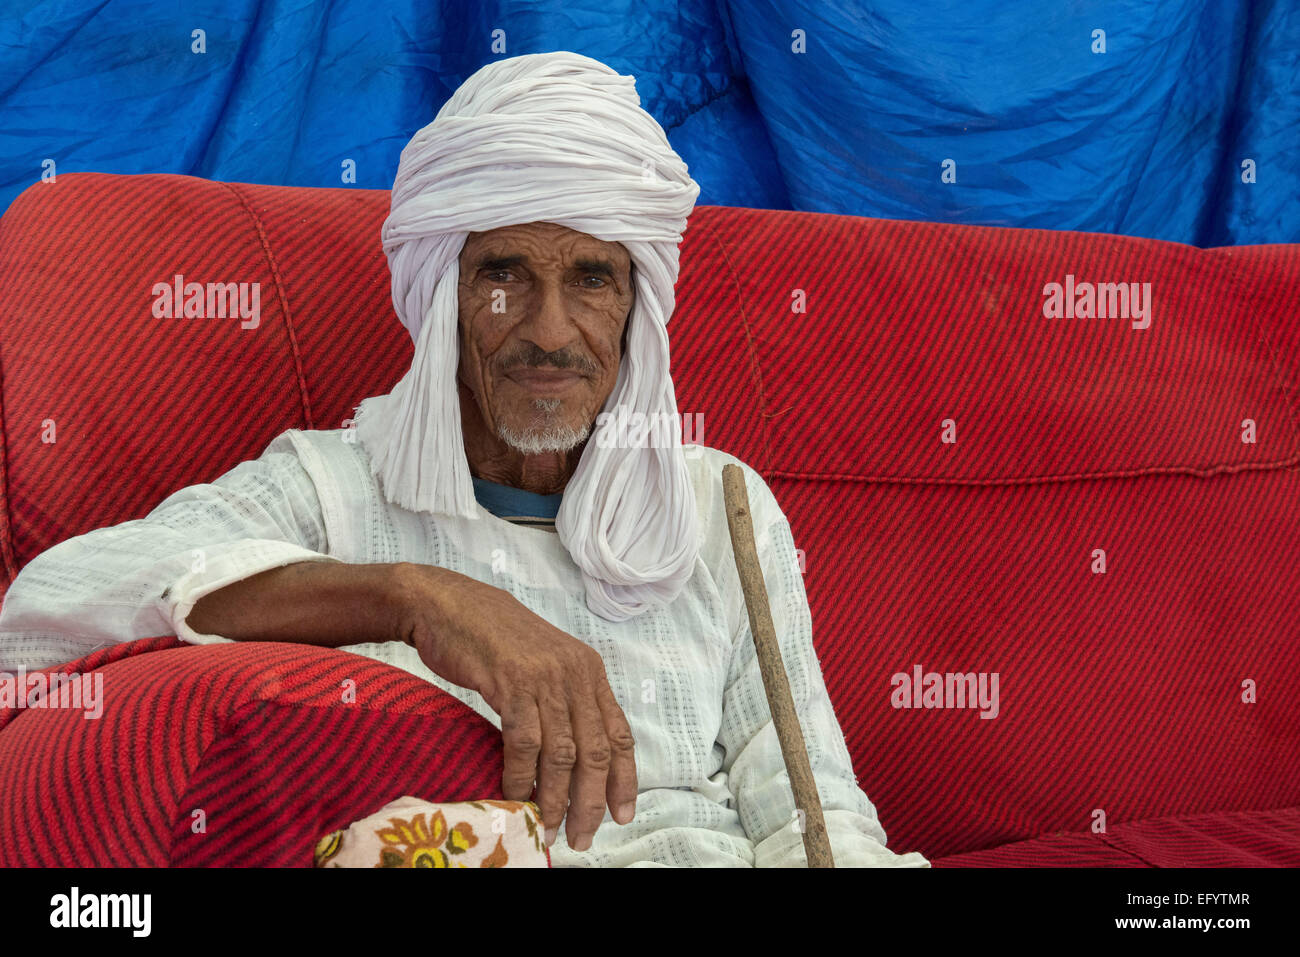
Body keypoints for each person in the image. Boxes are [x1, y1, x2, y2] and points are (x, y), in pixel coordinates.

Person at [0, 51, 928, 869]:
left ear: (638, 309)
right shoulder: (334, 488)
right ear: (441, 291)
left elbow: (812, 814)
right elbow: (44, 614)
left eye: (592, 279)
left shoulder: (719, 503)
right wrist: (415, 597)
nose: (548, 332)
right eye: (503, 275)